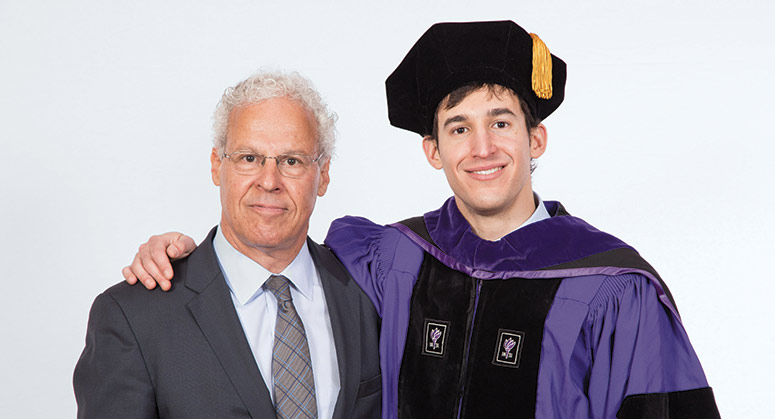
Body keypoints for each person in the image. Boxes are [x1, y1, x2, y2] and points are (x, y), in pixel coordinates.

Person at [123, 21, 720, 418]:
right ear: (433, 150)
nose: (482, 148)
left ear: (535, 138)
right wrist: (182, 256)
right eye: (458, 128)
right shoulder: (393, 259)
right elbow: (275, 251)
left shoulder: (614, 290)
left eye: (502, 122)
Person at [74, 71, 382, 419]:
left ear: (323, 175)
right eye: (249, 158)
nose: (269, 181)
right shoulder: (134, 316)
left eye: (292, 161)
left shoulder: (372, 293)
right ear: (216, 166)